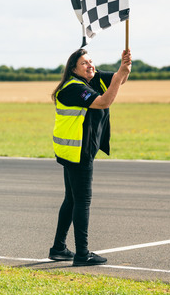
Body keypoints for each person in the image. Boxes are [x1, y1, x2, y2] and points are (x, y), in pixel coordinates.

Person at [48, 48, 131, 266]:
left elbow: (117, 80)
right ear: (73, 69)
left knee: (72, 199)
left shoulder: (90, 79)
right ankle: (82, 254)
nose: (90, 65)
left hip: (72, 150)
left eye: (91, 61)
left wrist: (124, 68)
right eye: (84, 63)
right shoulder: (74, 88)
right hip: (78, 152)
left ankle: (58, 248)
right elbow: (104, 102)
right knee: (82, 201)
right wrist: (121, 74)